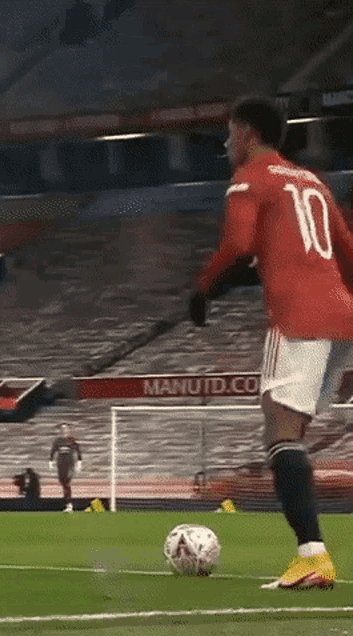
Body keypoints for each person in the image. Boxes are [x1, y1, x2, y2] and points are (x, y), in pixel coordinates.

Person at [189, 95, 353, 590]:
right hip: (342, 315)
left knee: (279, 432)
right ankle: (312, 556)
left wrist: (202, 289)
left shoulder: (249, 178)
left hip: (298, 316)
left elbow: (237, 244)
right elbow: (348, 249)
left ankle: (312, 557)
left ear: (244, 133)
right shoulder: (313, 182)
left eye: (227, 134)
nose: (225, 145)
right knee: (291, 432)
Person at [49, 423, 82, 512]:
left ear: (68, 429)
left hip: (69, 464)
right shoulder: (58, 441)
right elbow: (53, 451)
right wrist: (51, 461)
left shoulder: (72, 440)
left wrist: (79, 462)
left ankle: (69, 504)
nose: (64, 430)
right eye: (62, 428)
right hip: (61, 464)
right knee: (63, 483)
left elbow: (78, 451)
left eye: (66, 428)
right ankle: (67, 502)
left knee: (67, 482)